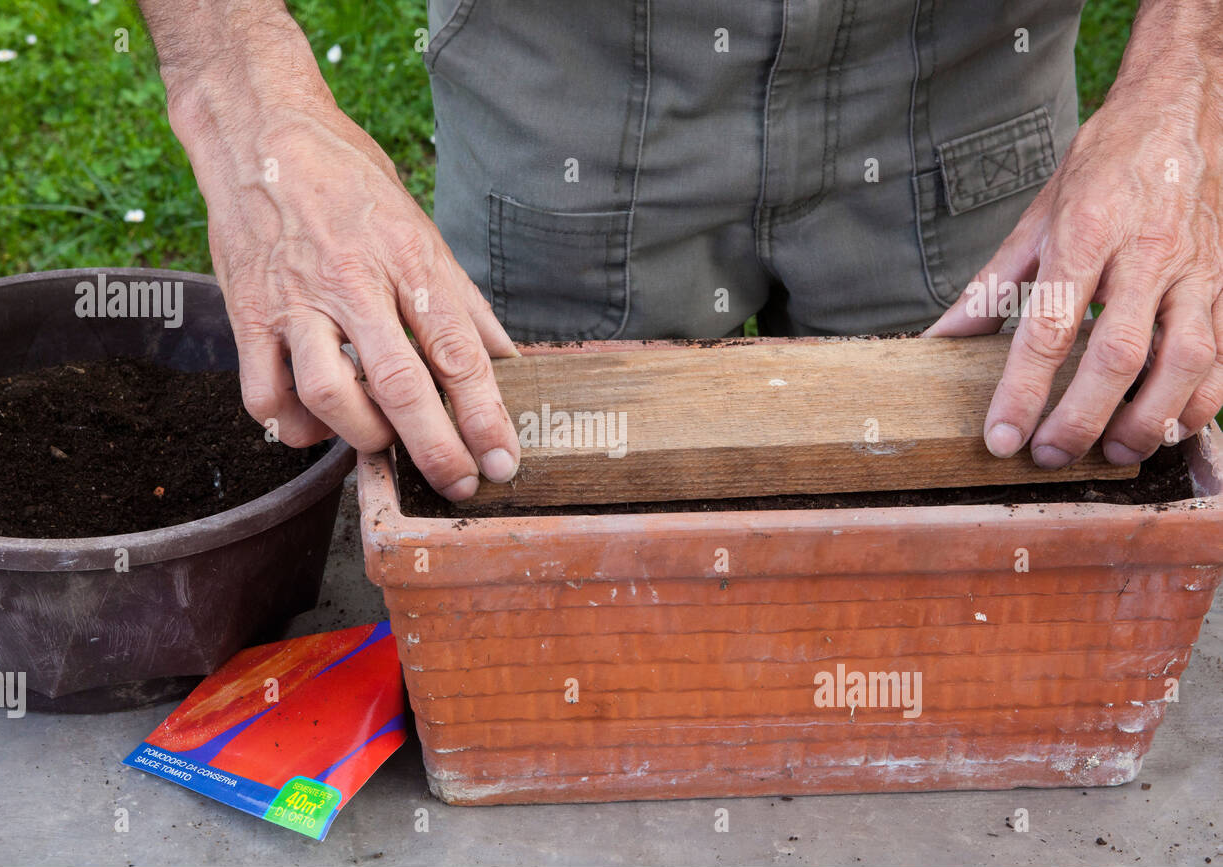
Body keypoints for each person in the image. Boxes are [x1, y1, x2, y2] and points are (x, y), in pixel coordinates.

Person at [138, 0, 1223, 501]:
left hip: (969, 62)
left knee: (1008, 488)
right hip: (569, 64)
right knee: (511, 485)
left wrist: (1187, 80)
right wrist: (241, 88)